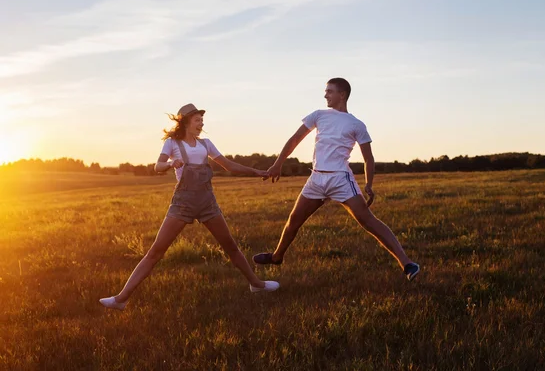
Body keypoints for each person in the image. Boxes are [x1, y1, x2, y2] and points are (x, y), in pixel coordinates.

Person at [100, 103, 279, 310]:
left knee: (230, 246)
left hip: (207, 202)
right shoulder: (172, 143)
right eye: (197, 120)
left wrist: (258, 173)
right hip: (182, 203)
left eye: (202, 121)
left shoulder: (206, 144)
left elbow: (229, 166)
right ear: (185, 122)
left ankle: (256, 284)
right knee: (155, 252)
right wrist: (169, 164)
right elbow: (157, 166)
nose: (201, 124)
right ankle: (121, 299)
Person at [253, 78, 420, 281]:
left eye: (329, 91)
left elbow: (368, 157)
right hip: (316, 178)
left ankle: (407, 264)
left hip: (341, 180)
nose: (325, 95)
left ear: (342, 94)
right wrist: (278, 163)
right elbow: (294, 139)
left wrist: (368, 184)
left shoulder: (356, 124)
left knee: (368, 221)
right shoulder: (318, 115)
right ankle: (277, 256)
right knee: (293, 221)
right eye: (326, 91)